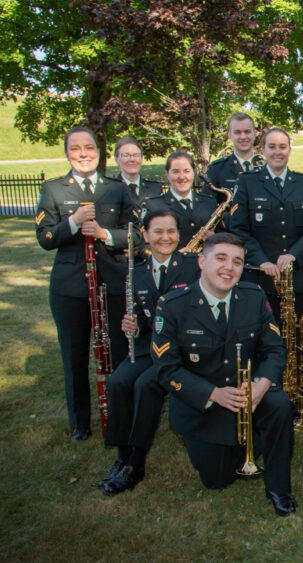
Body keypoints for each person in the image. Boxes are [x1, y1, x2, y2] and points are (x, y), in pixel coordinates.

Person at [152, 233, 297, 516]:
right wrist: (214, 394)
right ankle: (244, 441)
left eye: (237, 262)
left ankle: (279, 487)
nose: (229, 267)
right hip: (205, 401)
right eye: (221, 258)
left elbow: (275, 349)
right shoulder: (172, 305)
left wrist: (261, 387)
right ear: (201, 261)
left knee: (279, 405)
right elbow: (166, 369)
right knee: (217, 479)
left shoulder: (254, 297)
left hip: (248, 391)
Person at [36, 126, 140, 440]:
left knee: (119, 351)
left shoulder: (116, 189)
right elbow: (46, 237)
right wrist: (73, 222)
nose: (83, 154)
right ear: (67, 153)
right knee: (74, 355)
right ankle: (80, 422)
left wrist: (105, 234)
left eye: (89, 148)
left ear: (99, 151)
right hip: (70, 288)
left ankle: (121, 416)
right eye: (75, 149)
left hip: (111, 283)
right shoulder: (54, 189)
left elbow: (137, 234)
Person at [99, 210, 200, 495]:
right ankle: (122, 456)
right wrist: (132, 326)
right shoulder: (137, 272)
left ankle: (136, 462)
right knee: (118, 381)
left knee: (145, 385)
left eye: (171, 231)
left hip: (179, 353)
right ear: (145, 235)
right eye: (158, 231)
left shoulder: (193, 266)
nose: (165, 237)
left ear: (179, 234)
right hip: (148, 348)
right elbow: (142, 320)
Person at [230, 127, 303, 324]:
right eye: (272, 147)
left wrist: (294, 255)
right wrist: (261, 261)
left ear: (289, 150)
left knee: (301, 336)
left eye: (282, 147)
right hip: (260, 278)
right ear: (262, 150)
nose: (277, 152)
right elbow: (238, 228)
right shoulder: (247, 182)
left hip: (299, 278)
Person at [142, 151, 221, 248]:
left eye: (186, 171)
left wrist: (215, 239)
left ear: (193, 173)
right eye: (175, 172)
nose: (182, 177)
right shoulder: (153, 206)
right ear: (167, 174)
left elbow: (223, 237)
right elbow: (143, 246)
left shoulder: (209, 202)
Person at [206, 112, 262, 199]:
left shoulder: (268, 167)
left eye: (247, 131)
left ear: (255, 133)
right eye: (237, 132)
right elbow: (206, 203)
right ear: (230, 135)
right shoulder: (216, 169)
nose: (243, 137)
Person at [112, 136, 163, 202]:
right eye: (126, 155)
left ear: (141, 159)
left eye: (136, 155)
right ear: (117, 160)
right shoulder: (109, 190)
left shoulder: (155, 188)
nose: (132, 159)